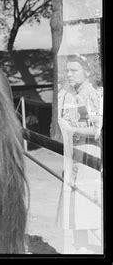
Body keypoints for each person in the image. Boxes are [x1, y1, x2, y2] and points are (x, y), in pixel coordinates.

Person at [57, 53, 103, 254]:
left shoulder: (91, 95)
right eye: (67, 70)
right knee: (75, 207)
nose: (69, 74)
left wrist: (72, 129)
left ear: (87, 72)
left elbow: (96, 130)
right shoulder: (71, 95)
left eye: (74, 70)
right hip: (74, 156)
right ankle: (81, 248)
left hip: (89, 156)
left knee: (89, 207)